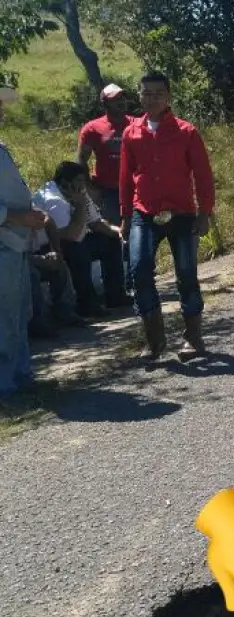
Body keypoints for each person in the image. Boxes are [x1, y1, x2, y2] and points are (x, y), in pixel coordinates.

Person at [119, 71, 217, 362]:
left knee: (186, 273)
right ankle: (154, 338)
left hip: (182, 212)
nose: (152, 99)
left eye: (158, 93)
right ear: (138, 96)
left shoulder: (186, 131)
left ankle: (193, 337)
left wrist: (205, 212)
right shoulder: (131, 132)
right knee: (138, 269)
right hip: (144, 211)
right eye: (146, 93)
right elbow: (125, 178)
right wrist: (125, 216)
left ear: (169, 96)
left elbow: (202, 175)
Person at [0, 84, 47, 397]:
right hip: (5, 240)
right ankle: (6, 384)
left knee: (17, 312)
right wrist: (17, 218)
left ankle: (20, 374)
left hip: (13, 243)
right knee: (4, 316)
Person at [31, 161, 123, 320]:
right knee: (77, 251)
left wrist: (120, 233)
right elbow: (70, 235)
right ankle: (86, 303)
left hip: (71, 239)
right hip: (48, 246)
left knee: (109, 240)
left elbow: (96, 223)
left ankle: (115, 294)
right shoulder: (54, 200)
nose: (84, 185)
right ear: (65, 183)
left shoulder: (79, 192)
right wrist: (80, 205)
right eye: (80, 181)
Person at [76, 82, 134, 308]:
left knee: (138, 235)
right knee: (116, 237)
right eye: (114, 99)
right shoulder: (92, 128)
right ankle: (118, 289)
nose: (120, 103)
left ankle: (136, 282)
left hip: (135, 189)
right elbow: (81, 160)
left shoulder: (135, 123)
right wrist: (90, 188)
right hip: (108, 191)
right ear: (104, 103)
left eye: (122, 98)